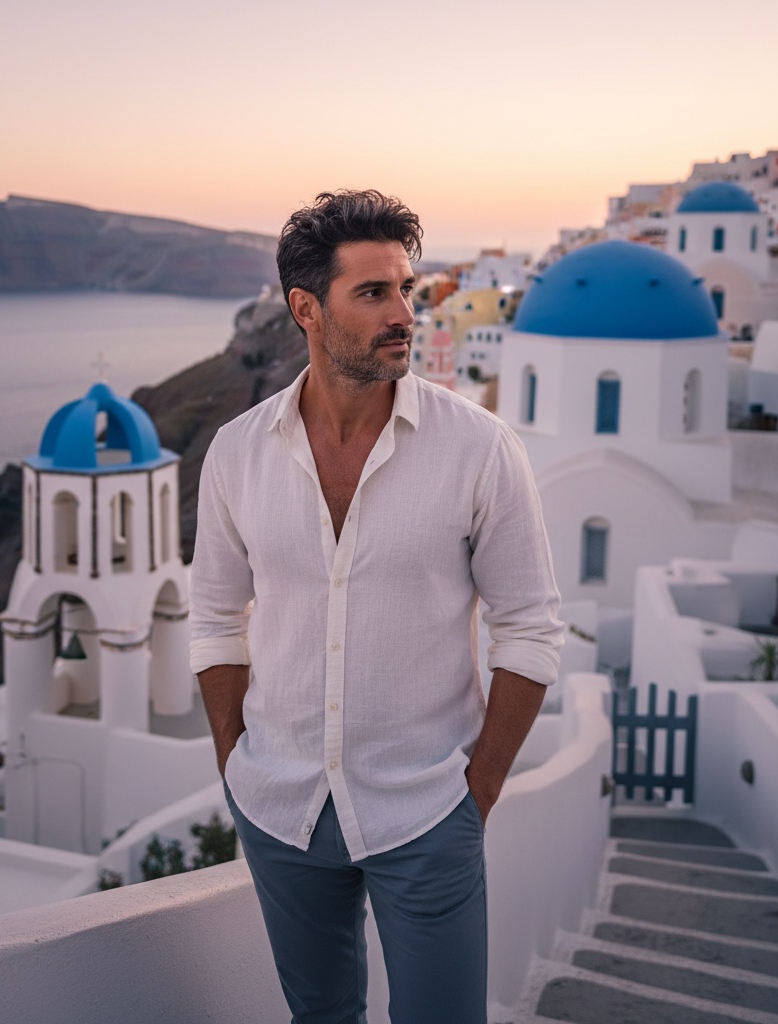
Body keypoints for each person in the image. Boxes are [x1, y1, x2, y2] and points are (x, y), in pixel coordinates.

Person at [189, 189, 563, 1024]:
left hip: (428, 812)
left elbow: (530, 630)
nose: (403, 314)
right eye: (372, 292)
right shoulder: (237, 453)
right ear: (306, 310)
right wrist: (235, 763)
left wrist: (477, 794)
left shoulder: (479, 449)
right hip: (279, 810)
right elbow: (214, 619)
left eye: (405, 289)